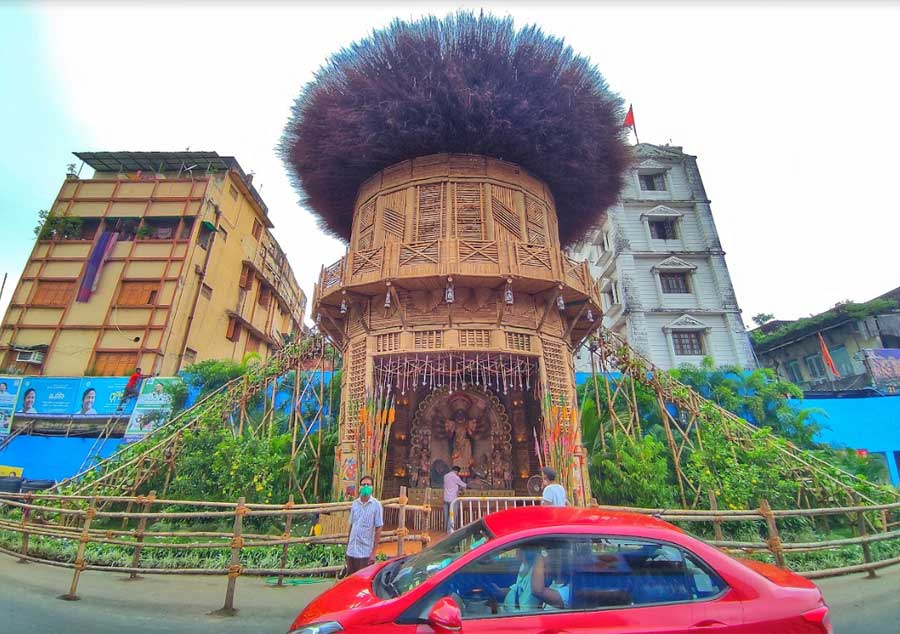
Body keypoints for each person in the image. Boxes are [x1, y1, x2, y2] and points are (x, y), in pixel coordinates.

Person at [345, 475, 383, 576]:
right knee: (350, 580)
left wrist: (373, 553)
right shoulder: (355, 504)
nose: (365, 486)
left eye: (368, 484)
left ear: (372, 487)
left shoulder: (376, 505)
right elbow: (351, 525)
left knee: (362, 581)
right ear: (359, 487)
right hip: (351, 551)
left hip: (365, 552)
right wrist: (347, 546)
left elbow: (379, 528)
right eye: (363, 484)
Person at [443, 465, 467, 533]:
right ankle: (450, 530)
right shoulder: (456, 477)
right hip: (453, 499)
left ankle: (445, 529)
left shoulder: (445, 476)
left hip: (445, 498)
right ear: (457, 472)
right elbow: (463, 484)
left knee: (446, 514)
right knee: (452, 515)